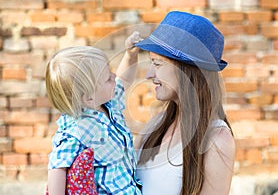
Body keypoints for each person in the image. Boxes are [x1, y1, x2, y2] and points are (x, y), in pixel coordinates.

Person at [134, 11, 236, 195]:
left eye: (157, 64)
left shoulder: (216, 139)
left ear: (186, 71)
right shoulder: (155, 126)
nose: (149, 74)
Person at [46, 32, 143, 194]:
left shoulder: (108, 102)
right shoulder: (76, 130)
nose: (114, 77)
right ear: (89, 98)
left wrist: (130, 55)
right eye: (107, 79)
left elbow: (123, 80)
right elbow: (57, 168)